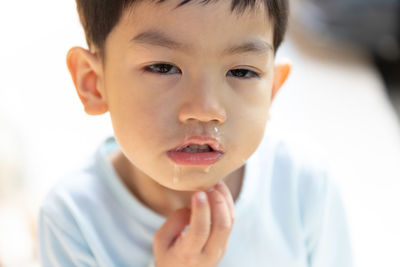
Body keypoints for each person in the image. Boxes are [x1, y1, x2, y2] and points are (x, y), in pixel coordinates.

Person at [38, 0, 352, 266]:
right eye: (163, 67)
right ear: (93, 82)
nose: (205, 109)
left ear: (271, 89)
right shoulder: (73, 219)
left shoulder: (304, 188)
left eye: (241, 71)